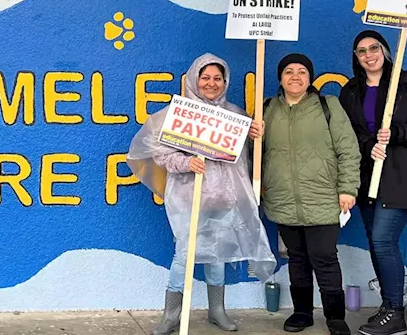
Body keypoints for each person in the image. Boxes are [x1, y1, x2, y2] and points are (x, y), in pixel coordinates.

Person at [126, 53, 277, 335]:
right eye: (205, 77)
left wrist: (255, 134)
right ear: (194, 79)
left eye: (217, 78)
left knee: (217, 257)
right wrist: (186, 162)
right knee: (183, 257)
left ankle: (217, 310)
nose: (211, 83)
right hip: (188, 199)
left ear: (225, 81)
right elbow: (158, 152)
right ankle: (171, 315)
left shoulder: (236, 115)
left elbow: (250, 156)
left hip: (223, 199)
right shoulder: (176, 115)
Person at [339, 30, 407, 335]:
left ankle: (395, 313)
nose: (368, 55)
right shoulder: (351, 91)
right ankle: (389, 307)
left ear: (385, 51)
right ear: (356, 58)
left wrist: (397, 134)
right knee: (376, 242)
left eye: (374, 48)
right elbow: (349, 133)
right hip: (369, 177)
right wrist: (368, 142)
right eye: (361, 51)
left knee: (384, 239)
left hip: (404, 175)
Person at [255, 53, 360, 335]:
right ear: (280, 78)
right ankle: (302, 313)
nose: (295, 76)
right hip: (283, 199)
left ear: (310, 78)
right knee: (297, 258)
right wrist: (254, 136)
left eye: (302, 71)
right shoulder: (265, 109)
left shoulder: (328, 106)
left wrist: (348, 188)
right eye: (289, 71)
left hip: (323, 197)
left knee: (324, 257)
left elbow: (348, 150)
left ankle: (335, 318)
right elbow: (253, 156)